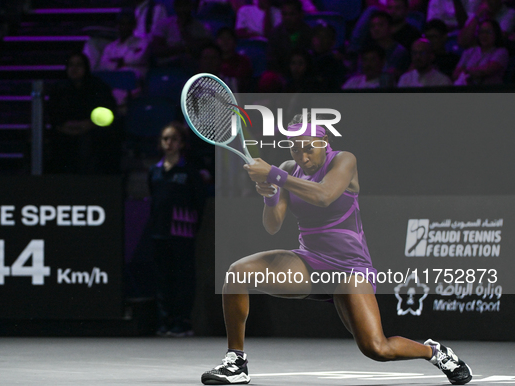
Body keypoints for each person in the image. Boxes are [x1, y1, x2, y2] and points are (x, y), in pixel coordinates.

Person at [200, 114, 473, 385]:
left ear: (324, 141)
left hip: (350, 268)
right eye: (295, 149)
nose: (302, 157)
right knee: (238, 273)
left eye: (309, 148)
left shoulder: (344, 160)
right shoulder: (287, 168)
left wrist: (274, 174)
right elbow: (272, 226)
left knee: (376, 348)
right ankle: (236, 362)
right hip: (309, 263)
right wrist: (270, 196)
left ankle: (435, 352)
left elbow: (324, 195)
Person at [148, 122, 206, 337]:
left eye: (173, 139)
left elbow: (199, 201)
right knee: (162, 279)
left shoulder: (189, 170)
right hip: (158, 233)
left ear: (181, 143)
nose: (169, 143)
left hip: (182, 233)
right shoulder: (154, 171)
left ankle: (182, 322)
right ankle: (165, 321)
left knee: (183, 278)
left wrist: (192, 226)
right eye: (165, 139)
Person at [46, 52, 119, 174]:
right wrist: (64, 126)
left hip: (93, 130)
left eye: (79, 65)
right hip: (64, 131)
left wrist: (88, 125)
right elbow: (53, 114)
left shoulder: (98, 87)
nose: (74, 69)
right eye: (71, 65)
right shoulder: (58, 88)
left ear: (86, 67)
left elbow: (108, 111)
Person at [150, 0, 212, 68]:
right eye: (180, 6)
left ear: (191, 7)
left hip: (191, 67)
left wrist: (183, 31)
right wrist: (184, 49)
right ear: (175, 7)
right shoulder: (163, 24)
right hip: (166, 66)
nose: (183, 9)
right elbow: (157, 50)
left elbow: (199, 51)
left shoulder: (202, 27)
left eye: (186, 5)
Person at [453, 18, 509, 85]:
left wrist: (466, 71)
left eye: (488, 32)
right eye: (481, 32)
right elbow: (455, 75)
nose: (484, 35)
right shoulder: (469, 51)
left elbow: (488, 70)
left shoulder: (501, 52)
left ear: (496, 34)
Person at [97, 8, 149, 78]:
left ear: (133, 25)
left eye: (127, 24)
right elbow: (103, 66)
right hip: (113, 81)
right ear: (117, 25)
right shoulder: (110, 47)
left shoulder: (143, 42)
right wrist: (120, 63)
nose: (124, 27)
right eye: (121, 24)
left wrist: (117, 62)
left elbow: (138, 59)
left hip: (135, 83)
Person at [266, 0, 312, 75]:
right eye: (284, 14)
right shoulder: (275, 34)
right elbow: (272, 63)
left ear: (301, 14)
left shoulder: (309, 33)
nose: (287, 18)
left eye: (292, 14)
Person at [369, 11, 411, 81]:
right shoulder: (368, 51)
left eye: (380, 25)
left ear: (391, 28)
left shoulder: (400, 52)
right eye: (372, 26)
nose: (376, 29)